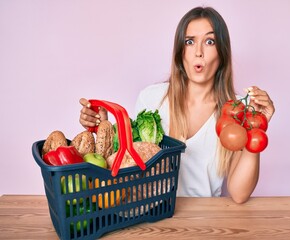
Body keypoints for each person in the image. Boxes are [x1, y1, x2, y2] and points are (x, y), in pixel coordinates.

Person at [79, 6, 275, 203]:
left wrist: (256, 128)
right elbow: (129, 165)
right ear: (181, 52)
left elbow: (239, 194)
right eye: (190, 42)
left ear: (222, 52)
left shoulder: (236, 111)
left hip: (205, 222)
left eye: (209, 41)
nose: (198, 52)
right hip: (150, 215)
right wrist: (104, 130)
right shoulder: (151, 99)